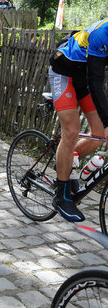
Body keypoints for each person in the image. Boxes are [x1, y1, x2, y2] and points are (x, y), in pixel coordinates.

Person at [49, 20, 108, 222]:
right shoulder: (103, 33)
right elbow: (96, 81)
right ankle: (61, 195)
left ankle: (69, 159)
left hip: (84, 78)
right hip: (63, 72)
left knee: (99, 135)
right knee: (72, 131)